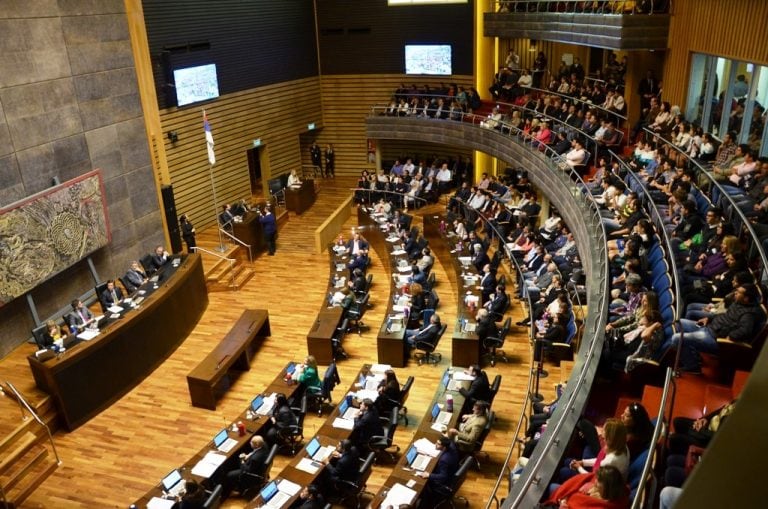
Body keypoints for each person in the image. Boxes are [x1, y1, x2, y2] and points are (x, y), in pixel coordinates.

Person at [545, 465, 629, 509]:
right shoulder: (613, 489)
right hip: (567, 497)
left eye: (599, 481)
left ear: (608, 487)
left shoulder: (604, 506)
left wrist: (563, 504)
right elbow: (591, 477)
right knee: (556, 483)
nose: (596, 481)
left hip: (565, 504)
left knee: (552, 487)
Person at [415, 436, 460, 507]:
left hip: (444, 483)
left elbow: (443, 476)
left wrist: (429, 475)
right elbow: (450, 440)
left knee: (421, 481)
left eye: (438, 444)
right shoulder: (451, 445)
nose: (435, 444)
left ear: (444, 447)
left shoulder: (444, 460)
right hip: (451, 472)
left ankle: (424, 504)